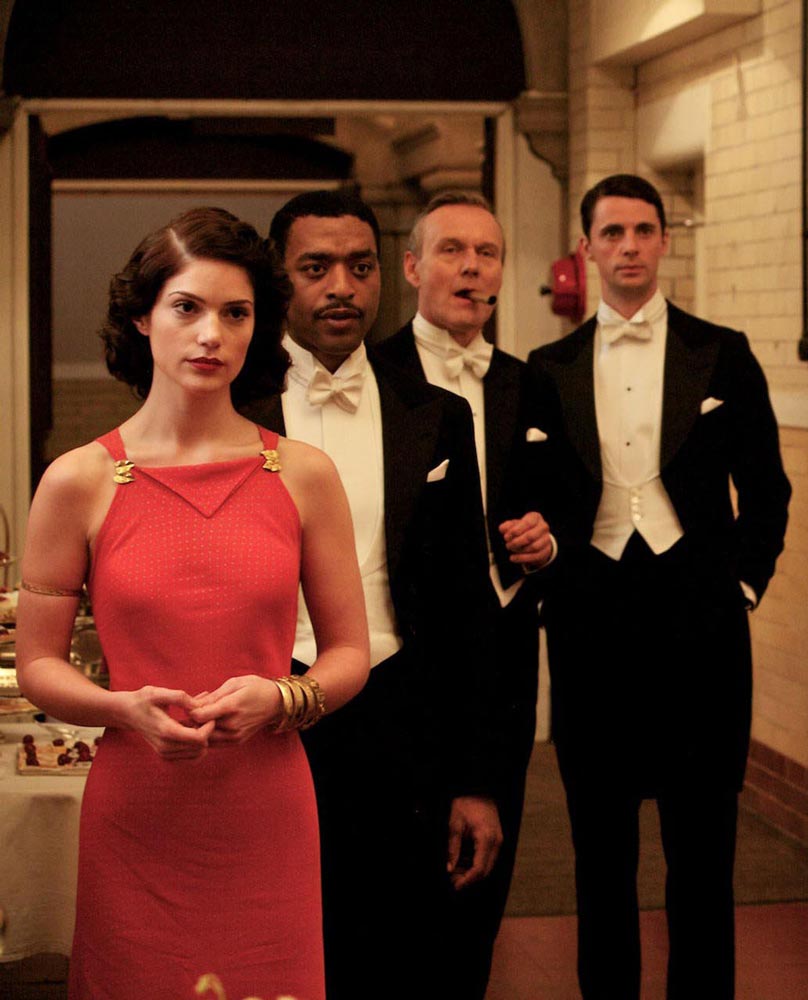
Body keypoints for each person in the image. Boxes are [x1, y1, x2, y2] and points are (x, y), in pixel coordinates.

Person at [15, 207, 370, 999]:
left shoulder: (304, 474)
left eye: (235, 313)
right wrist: (122, 708)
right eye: (188, 307)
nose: (212, 334)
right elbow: (37, 665)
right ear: (142, 317)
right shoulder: (77, 480)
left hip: (267, 806)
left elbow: (351, 652)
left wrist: (285, 695)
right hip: (136, 811)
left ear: (257, 328)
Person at [524, 172, 792, 998]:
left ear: (666, 241)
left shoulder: (725, 352)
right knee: (600, 858)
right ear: (586, 247)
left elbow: (768, 488)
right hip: (590, 629)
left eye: (644, 230)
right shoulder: (547, 367)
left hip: (703, 631)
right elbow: (530, 495)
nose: (629, 247)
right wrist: (549, 581)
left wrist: (742, 587)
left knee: (703, 857)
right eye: (612, 233)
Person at [241, 189, 505, 999]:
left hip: (401, 714)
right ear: (279, 279)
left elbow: (468, 606)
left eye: (360, 268)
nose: (342, 288)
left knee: (397, 951)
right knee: (272, 943)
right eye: (316, 268)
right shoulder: (232, 409)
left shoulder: (436, 415)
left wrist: (476, 777)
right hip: (265, 708)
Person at [372, 189, 553, 995]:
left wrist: (549, 540)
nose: (471, 267)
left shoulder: (529, 383)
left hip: (504, 657)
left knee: (483, 879)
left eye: (487, 253)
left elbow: (563, 502)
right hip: (402, 653)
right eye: (452, 250)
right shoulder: (374, 376)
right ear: (413, 268)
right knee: (397, 885)